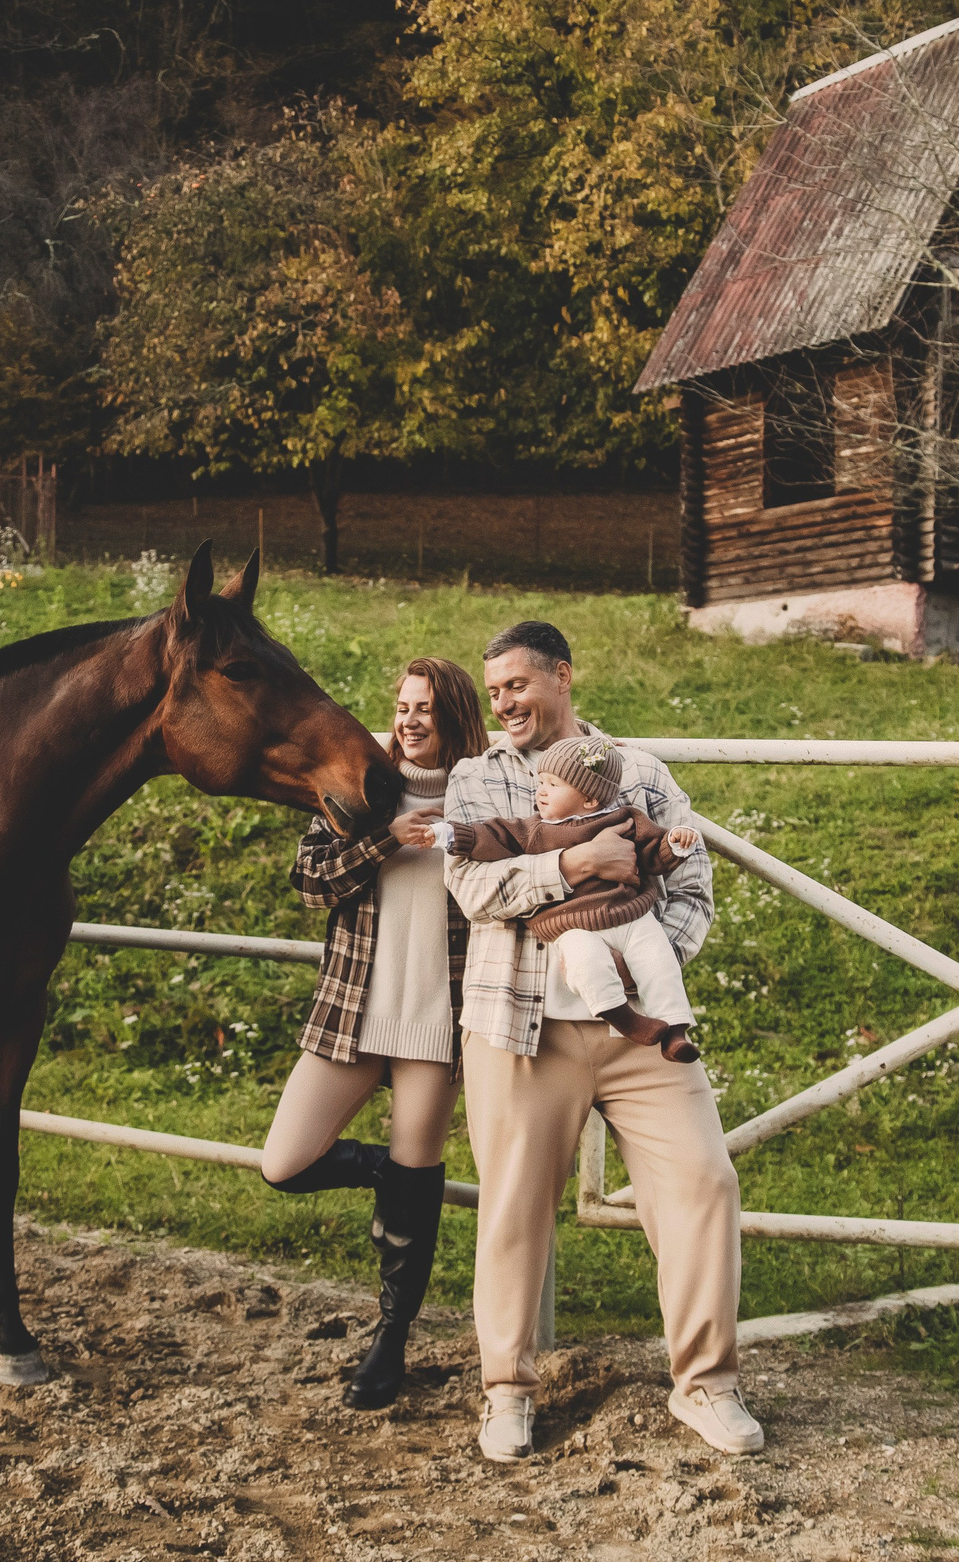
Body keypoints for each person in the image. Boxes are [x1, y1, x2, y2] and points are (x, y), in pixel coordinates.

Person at [445, 620, 759, 1463]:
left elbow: (691, 880)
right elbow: (473, 886)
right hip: (520, 1026)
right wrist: (573, 872)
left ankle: (706, 1386)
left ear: (563, 676)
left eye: (518, 684)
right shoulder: (477, 778)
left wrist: (641, 959)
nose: (505, 702)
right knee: (513, 1208)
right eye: (495, 691)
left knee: (703, 1181)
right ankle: (506, 1391)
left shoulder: (642, 773)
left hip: (641, 1033)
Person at [260, 655, 490, 1409]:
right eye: (401, 705)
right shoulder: (360, 782)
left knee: (419, 1177)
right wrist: (390, 838)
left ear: (454, 713)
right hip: (355, 1007)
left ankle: (390, 1340)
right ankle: (388, 1175)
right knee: (286, 1162)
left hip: (437, 1016)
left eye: (424, 707)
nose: (409, 719)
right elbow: (309, 884)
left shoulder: (483, 795)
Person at [439, 737, 703, 1063]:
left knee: (657, 957)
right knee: (585, 961)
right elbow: (495, 836)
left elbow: (653, 856)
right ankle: (623, 1016)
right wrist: (454, 835)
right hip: (574, 922)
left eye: (553, 784)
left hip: (631, 915)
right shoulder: (538, 830)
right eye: (540, 783)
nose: (541, 792)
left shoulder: (626, 818)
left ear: (590, 799)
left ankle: (676, 1031)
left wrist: (673, 845)